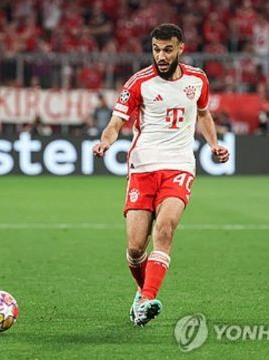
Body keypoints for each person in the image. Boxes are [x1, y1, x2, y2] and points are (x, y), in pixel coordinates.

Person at [92, 24, 229, 327]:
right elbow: (116, 122)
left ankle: (147, 300)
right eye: (156, 49)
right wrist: (106, 140)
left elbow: (204, 114)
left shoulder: (198, 79)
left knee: (164, 231)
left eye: (167, 49)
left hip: (179, 165)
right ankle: (142, 291)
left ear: (181, 48)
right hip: (143, 166)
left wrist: (214, 144)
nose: (161, 56)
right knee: (135, 248)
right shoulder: (139, 82)